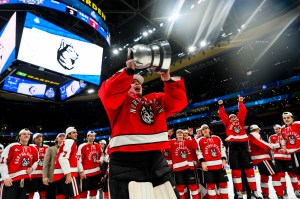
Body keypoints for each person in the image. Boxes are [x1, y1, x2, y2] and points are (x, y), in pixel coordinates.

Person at [98, 59, 188, 199]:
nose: (137, 83)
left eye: (139, 82)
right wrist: (128, 71)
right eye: (132, 81)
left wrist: (166, 78)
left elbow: (178, 102)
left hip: (155, 159)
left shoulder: (155, 99)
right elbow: (107, 92)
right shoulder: (119, 102)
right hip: (125, 161)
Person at [218, 97, 261, 199]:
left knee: (249, 169)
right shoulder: (227, 123)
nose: (233, 118)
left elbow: (243, 111)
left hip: (243, 146)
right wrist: (221, 106)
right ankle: (239, 192)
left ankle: (254, 191)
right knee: (236, 170)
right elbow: (222, 114)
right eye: (231, 117)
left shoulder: (240, 121)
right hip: (233, 147)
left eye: (234, 117)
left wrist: (240, 102)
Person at [0, 128, 39, 199]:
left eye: (28, 134)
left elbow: (36, 161)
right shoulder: (12, 146)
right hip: (12, 179)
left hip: (26, 180)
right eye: (24, 134)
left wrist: (32, 168)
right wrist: (5, 176)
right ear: (19, 136)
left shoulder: (33, 148)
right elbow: (3, 162)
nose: (26, 135)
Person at [248, 124, 284, 199]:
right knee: (275, 175)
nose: (260, 130)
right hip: (262, 158)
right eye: (259, 129)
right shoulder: (254, 134)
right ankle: (280, 195)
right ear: (257, 129)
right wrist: (276, 145)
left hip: (258, 159)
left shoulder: (251, 136)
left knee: (264, 177)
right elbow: (261, 144)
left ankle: (265, 195)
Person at [198, 124, 228, 199]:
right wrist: (202, 162)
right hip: (208, 167)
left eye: (206, 128)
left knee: (223, 185)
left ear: (209, 130)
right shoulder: (199, 140)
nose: (205, 130)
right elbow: (198, 152)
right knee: (210, 187)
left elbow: (222, 150)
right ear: (201, 132)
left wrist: (224, 160)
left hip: (220, 165)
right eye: (203, 129)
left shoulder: (217, 138)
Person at [169, 129, 200, 199]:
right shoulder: (172, 142)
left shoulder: (188, 141)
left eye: (181, 133)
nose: (179, 134)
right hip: (177, 169)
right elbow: (165, 145)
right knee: (180, 189)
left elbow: (195, 146)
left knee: (193, 187)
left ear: (183, 135)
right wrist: (169, 135)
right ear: (176, 135)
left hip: (189, 168)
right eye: (178, 133)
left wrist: (191, 136)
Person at [52, 127, 80, 199]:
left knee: (61, 195)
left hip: (59, 174)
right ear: (69, 134)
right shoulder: (70, 142)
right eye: (74, 132)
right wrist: (68, 173)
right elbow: (63, 158)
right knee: (75, 196)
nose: (76, 134)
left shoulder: (64, 143)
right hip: (68, 173)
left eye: (76, 132)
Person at [269, 124, 296, 198]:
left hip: (289, 158)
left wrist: (278, 145)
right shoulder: (272, 137)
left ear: (281, 128)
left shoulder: (287, 135)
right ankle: (284, 190)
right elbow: (271, 146)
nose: (277, 130)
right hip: (278, 159)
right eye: (275, 129)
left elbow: (292, 144)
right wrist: (280, 144)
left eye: (278, 128)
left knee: (293, 175)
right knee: (281, 176)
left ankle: (296, 190)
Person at [279, 112, 300, 198]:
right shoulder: (283, 129)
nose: (286, 119)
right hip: (293, 154)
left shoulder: (298, 124)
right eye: (284, 118)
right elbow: (283, 140)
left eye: (288, 117)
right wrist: (284, 148)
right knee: (298, 173)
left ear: (292, 118)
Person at [77, 131, 102, 199]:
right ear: (87, 137)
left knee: (94, 191)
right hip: (86, 173)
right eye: (90, 136)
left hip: (96, 172)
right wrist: (81, 171)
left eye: (93, 136)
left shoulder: (97, 145)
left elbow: (102, 155)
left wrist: (101, 160)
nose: (92, 137)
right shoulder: (82, 146)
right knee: (83, 192)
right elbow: (79, 160)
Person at [42, 133, 66, 199]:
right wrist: (45, 177)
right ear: (56, 139)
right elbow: (46, 164)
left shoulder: (68, 149)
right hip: (52, 176)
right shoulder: (50, 149)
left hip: (64, 176)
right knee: (51, 195)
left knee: (63, 195)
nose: (62, 137)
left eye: (64, 136)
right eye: (60, 136)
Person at [28, 133, 49, 199]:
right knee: (31, 192)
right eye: (37, 137)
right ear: (34, 139)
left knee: (44, 191)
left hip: (43, 174)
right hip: (33, 174)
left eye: (40, 136)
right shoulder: (30, 147)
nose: (39, 138)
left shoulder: (47, 147)